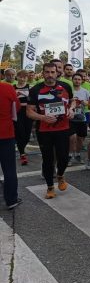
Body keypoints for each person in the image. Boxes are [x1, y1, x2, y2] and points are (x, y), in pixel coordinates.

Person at [27, 63, 74, 199]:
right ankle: (50, 187)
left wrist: (71, 109)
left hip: (63, 129)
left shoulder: (65, 86)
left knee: (64, 158)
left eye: (52, 72)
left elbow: (73, 101)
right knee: (47, 160)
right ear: (42, 73)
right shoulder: (36, 89)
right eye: (47, 72)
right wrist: (43, 117)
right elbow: (29, 112)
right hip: (44, 131)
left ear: (57, 73)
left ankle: (60, 175)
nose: (50, 75)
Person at [0, 80, 21, 209]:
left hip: (6, 133)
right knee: (9, 169)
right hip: (6, 133)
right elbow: (16, 108)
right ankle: (11, 199)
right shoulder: (8, 88)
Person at [69, 73, 89, 165]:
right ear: (72, 80)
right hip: (70, 118)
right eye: (75, 79)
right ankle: (69, 155)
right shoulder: (69, 90)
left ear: (81, 81)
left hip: (81, 118)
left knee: (80, 138)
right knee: (71, 138)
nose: (77, 81)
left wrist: (84, 102)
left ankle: (77, 154)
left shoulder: (85, 91)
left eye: (79, 79)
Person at [13, 70, 32, 165]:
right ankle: (22, 154)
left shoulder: (30, 87)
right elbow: (11, 101)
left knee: (27, 134)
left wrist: (24, 94)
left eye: (24, 77)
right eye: (20, 77)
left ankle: (21, 148)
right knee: (20, 132)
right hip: (18, 112)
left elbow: (32, 100)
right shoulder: (13, 87)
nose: (22, 78)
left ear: (27, 78)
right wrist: (16, 96)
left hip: (28, 111)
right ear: (17, 77)